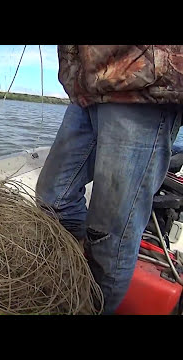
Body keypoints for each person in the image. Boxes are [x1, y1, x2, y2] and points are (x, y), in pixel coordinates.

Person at [35, 45, 183, 314]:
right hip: (87, 87)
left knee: (109, 235)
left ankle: (89, 308)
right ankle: (72, 282)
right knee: (53, 199)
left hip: (143, 85)